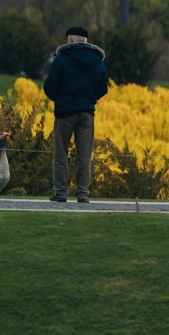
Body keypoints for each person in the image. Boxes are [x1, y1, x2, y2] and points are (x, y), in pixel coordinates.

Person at [43, 26, 108, 203]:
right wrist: (89, 98)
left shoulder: (61, 60)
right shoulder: (97, 62)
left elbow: (49, 88)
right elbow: (103, 88)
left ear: (70, 40)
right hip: (87, 114)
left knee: (61, 154)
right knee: (84, 156)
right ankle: (83, 193)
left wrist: (61, 98)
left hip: (65, 113)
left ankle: (60, 192)